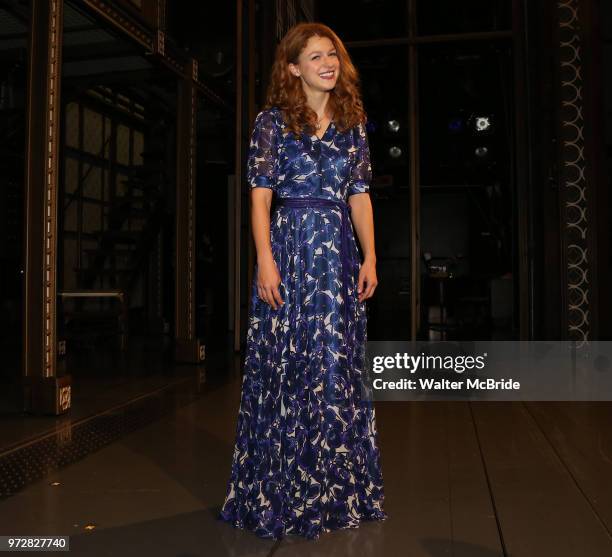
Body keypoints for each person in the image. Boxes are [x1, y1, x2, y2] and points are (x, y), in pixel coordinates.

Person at [218, 22, 387, 540]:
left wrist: (371, 256)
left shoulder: (353, 123)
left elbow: (359, 194)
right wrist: (264, 258)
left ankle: (336, 492)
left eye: (332, 54)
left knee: (335, 369)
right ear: (293, 67)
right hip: (288, 254)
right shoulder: (272, 122)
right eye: (315, 57)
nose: (328, 63)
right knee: (286, 367)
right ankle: (280, 492)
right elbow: (260, 195)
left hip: (335, 257)